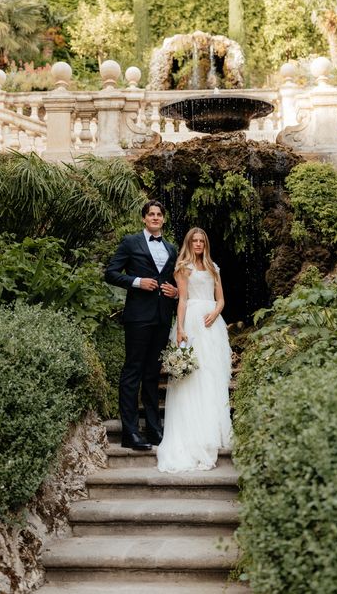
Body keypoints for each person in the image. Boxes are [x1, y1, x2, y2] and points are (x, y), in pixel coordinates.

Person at [157, 227, 232, 472]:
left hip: (212, 323)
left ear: (205, 244)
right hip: (192, 320)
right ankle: (194, 432)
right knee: (194, 378)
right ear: (189, 243)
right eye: (194, 240)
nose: (198, 244)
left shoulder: (213, 267)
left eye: (201, 241)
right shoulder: (183, 268)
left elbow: (221, 298)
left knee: (213, 376)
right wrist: (179, 328)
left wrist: (216, 311)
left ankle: (214, 429)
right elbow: (183, 300)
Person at [104, 200, 178, 451]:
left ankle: (155, 430)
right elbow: (111, 273)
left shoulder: (171, 248)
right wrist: (137, 281)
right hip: (138, 316)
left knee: (152, 373)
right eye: (151, 214)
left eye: (159, 214)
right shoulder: (130, 243)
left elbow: (177, 280)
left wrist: (176, 291)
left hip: (161, 317)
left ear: (163, 220)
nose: (155, 218)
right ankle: (130, 432)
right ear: (144, 219)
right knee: (133, 371)